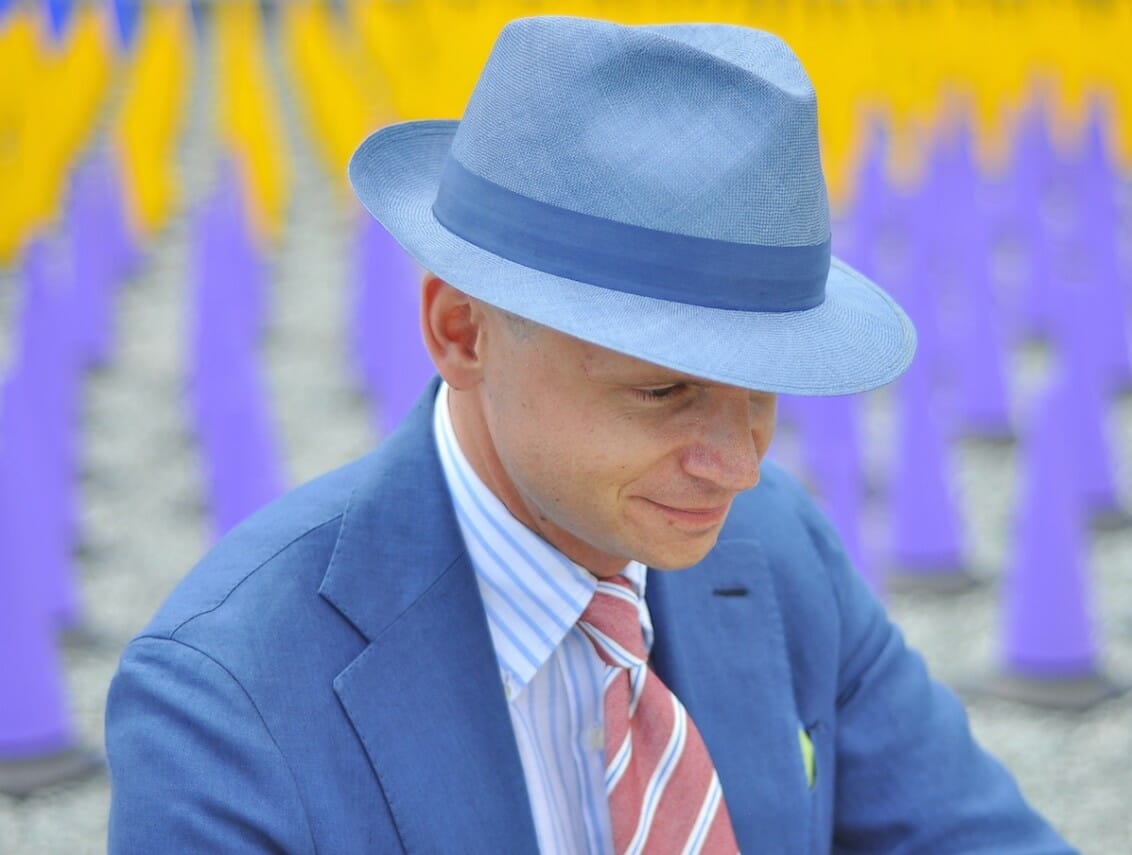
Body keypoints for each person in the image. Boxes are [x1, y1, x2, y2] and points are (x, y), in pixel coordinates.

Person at [106, 15, 1075, 854]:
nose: (739, 465)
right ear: (461, 330)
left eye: (763, 393)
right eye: (662, 390)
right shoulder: (229, 702)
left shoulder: (778, 548)